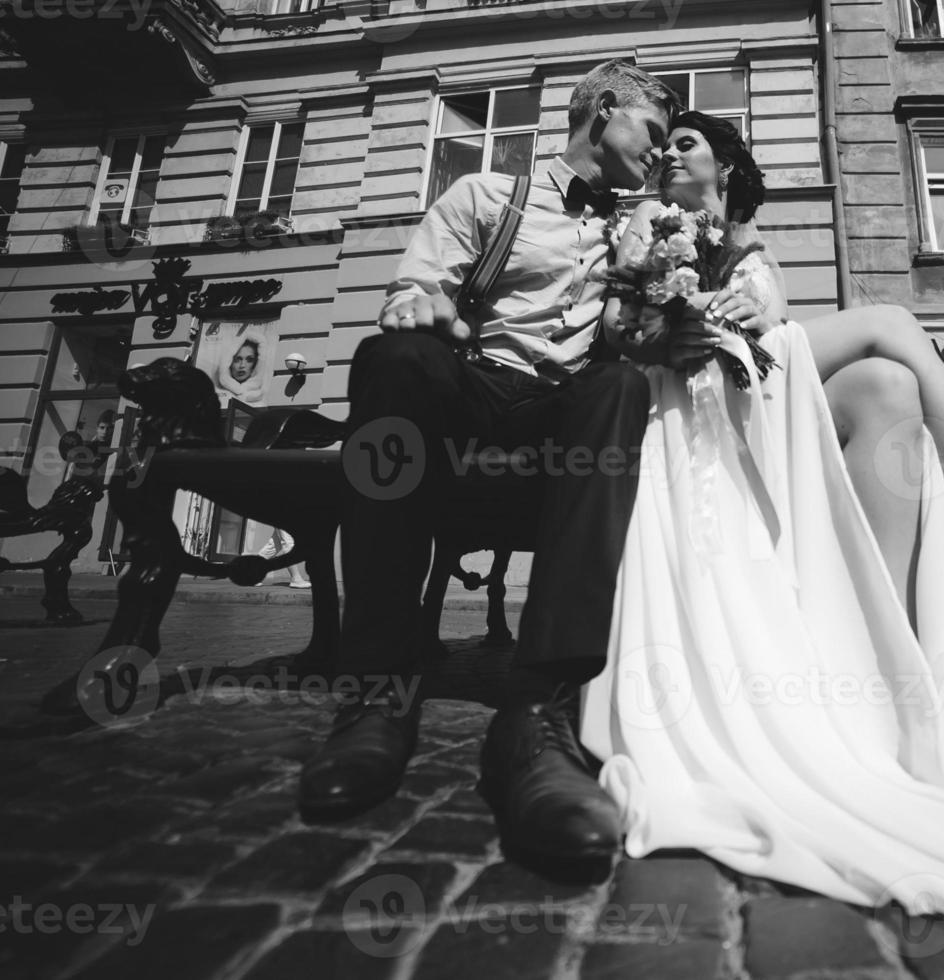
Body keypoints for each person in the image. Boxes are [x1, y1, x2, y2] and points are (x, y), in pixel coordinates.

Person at [577, 111, 944, 940]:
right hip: (682, 388)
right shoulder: (640, 221)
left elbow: (763, 320)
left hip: (751, 384)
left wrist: (734, 298)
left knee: (890, 392)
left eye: (687, 142)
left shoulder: (751, 243)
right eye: (664, 141)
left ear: (724, 165)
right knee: (891, 323)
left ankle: (893, 651)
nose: (668, 152)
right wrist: (665, 297)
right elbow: (618, 331)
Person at [295, 62, 680, 850]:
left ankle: (540, 714)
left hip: (561, 410)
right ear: (604, 111)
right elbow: (412, 290)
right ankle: (377, 694)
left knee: (618, 388)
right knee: (395, 358)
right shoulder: (483, 195)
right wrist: (425, 310)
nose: (660, 151)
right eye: (653, 130)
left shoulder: (647, 227)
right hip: (472, 388)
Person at [216, 333, 267, 406]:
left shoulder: (261, 397)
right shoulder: (217, 394)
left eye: (249, 360)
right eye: (237, 360)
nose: (242, 365)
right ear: (229, 362)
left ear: (255, 364)